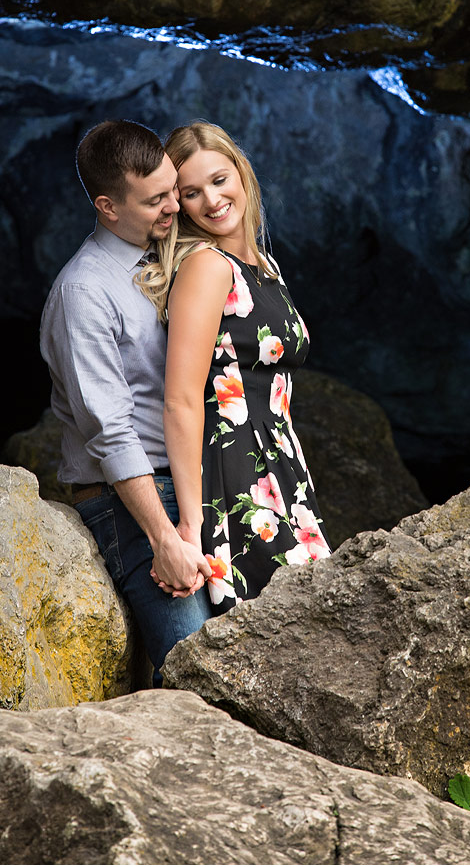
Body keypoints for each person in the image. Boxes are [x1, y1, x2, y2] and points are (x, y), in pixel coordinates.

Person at [40, 119, 212, 685]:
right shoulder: (84, 292)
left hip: (186, 486)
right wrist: (164, 538)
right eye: (156, 199)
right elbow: (110, 430)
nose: (174, 206)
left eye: (173, 189)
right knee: (196, 665)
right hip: (129, 502)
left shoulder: (169, 255)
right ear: (108, 207)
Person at [139, 121, 330, 612]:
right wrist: (189, 524)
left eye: (220, 180)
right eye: (192, 192)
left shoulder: (264, 265)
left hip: (281, 465)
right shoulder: (207, 266)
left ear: (242, 174)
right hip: (233, 472)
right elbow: (181, 399)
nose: (212, 200)